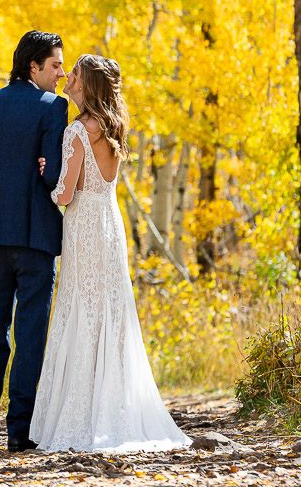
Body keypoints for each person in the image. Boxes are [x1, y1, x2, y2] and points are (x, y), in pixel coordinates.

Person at [29, 54, 191, 453]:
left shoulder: (76, 132)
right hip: (110, 225)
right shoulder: (113, 126)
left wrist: (45, 178)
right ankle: (114, 409)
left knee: (82, 309)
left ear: (87, 85)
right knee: (109, 314)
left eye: (75, 73)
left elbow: (66, 194)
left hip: (84, 225)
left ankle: (81, 417)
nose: (67, 77)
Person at [0, 31, 68, 454]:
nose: (61, 73)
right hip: (37, 236)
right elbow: (51, 176)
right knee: (30, 333)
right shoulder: (53, 107)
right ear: (33, 67)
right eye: (55, 65)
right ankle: (19, 433)